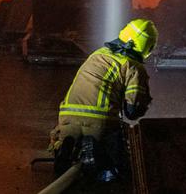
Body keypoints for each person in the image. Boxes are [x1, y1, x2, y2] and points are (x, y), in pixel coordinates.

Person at [50, 18, 157, 182]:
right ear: (147, 47)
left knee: (66, 139)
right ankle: (97, 157)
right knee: (119, 168)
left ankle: (62, 149)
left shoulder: (97, 54)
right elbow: (132, 111)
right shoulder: (133, 66)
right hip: (99, 122)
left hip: (66, 118)